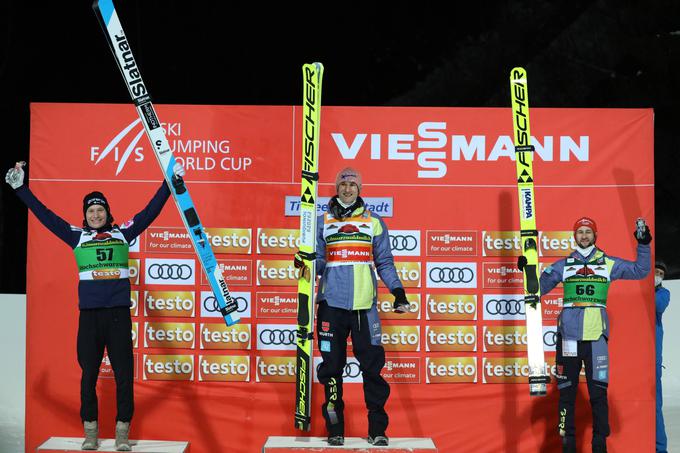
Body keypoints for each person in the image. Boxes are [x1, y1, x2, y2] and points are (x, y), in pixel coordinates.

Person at [5, 161, 184, 451]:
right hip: (89, 319)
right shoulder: (77, 236)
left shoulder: (123, 233)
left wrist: (169, 181)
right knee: (88, 376)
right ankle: (90, 433)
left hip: (117, 317)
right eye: (91, 210)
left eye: (100, 209)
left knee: (124, 375)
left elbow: (151, 211)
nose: (96, 214)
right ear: (85, 215)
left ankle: (122, 433)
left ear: (107, 212)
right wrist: (19, 188)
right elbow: (44, 215)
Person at [294, 167, 409, 447]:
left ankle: (377, 430)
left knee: (372, 369)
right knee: (331, 370)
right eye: (343, 184)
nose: (347, 189)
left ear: (360, 189)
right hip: (331, 305)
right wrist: (304, 262)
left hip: (364, 307)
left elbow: (384, 262)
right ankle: (335, 429)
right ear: (337, 188)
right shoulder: (322, 221)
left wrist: (398, 291)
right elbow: (319, 262)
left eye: (352, 185)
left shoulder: (374, 221)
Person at [518, 216, 651, 453]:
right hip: (568, 337)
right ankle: (567, 444)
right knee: (566, 393)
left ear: (595, 235)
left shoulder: (608, 263)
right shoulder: (564, 265)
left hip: (596, 338)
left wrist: (643, 244)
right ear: (574, 236)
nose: (584, 236)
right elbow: (535, 290)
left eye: (588, 231)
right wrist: (527, 270)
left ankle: (599, 444)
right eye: (580, 232)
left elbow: (641, 270)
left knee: (598, 394)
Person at [655, 261, 670, 453]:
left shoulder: (663, 293)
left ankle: (660, 448)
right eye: (655, 272)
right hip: (633, 354)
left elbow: (658, 306)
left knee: (655, 404)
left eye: (661, 274)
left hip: (653, 357)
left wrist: (648, 288)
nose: (658, 275)